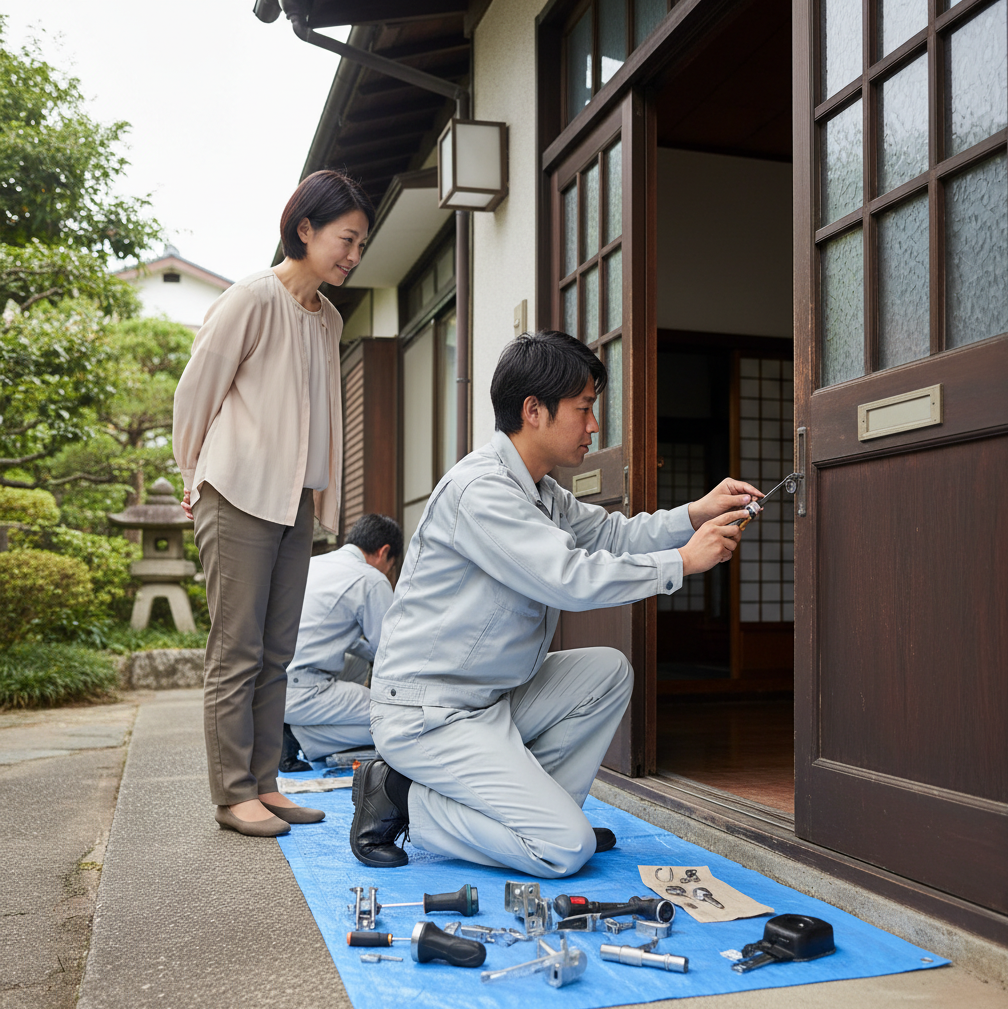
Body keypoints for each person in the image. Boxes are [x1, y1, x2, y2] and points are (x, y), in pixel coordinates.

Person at [350, 330, 762, 876]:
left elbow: (613, 535)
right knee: (566, 849)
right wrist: (684, 562)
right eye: (585, 409)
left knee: (607, 671)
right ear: (534, 410)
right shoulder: (483, 492)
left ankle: (544, 815)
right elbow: (568, 577)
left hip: (489, 699)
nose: (594, 426)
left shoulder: (541, 490)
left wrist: (695, 513)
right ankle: (403, 797)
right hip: (431, 713)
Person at [172, 170, 374, 837]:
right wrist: (190, 473)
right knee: (238, 648)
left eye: (359, 244)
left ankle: (264, 782)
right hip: (235, 494)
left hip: (294, 506)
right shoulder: (253, 299)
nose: (351, 254)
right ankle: (233, 795)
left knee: (277, 652)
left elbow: (319, 418)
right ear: (305, 229)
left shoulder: (331, 318)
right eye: (345, 239)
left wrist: (321, 500)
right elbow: (195, 391)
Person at [280, 513, 402, 770]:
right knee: (397, 719)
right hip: (302, 689)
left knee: (357, 662)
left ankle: (297, 725)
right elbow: (391, 651)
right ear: (384, 552)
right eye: (391, 567)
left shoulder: (314, 563)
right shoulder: (371, 578)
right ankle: (297, 735)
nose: (388, 573)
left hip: (274, 681)